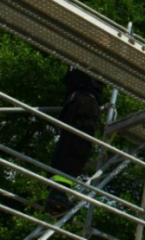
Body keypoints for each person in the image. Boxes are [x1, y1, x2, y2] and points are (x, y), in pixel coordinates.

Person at [45, 68, 104, 215]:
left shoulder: (77, 64)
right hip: (86, 102)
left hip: (76, 101)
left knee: (68, 145)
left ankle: (58, 191)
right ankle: (59, 191)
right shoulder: (91, 59)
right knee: (77, 147)